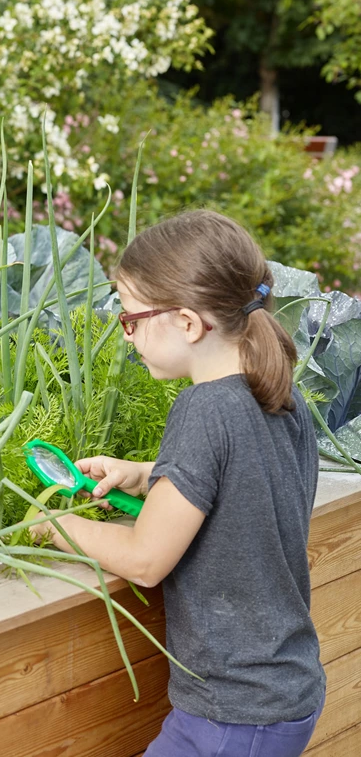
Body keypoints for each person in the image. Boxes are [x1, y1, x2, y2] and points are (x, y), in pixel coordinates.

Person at [32, 210, 325, 756]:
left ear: (188, 323)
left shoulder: (203, 409)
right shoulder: (279, 396)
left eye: (131, 319)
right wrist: (145, 476)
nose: (127, 335)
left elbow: (146, 559)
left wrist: (54, 526)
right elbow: (246, 486)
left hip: (234, 715)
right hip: (284, 690)